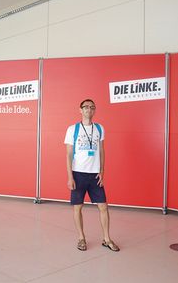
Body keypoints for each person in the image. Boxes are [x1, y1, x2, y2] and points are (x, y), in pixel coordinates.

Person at [64, 99, 119, 252]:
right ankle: (81, 238)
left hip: (95, 174)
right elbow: (68, 154)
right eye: (86, 107)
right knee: (78, 208)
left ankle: (107, 239)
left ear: (94, 110)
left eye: (92, 107)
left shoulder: (99, 129)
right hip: (78, 173)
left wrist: (102, 171)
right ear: (80, 110)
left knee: (103, 206)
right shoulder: (72, 129)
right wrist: (70, 176)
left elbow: (101, 151)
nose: (89, 109)